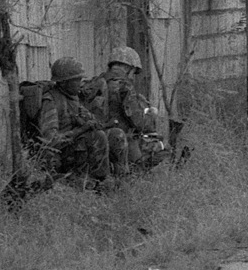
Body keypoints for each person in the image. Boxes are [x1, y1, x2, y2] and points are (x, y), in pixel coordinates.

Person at [37, 57, 116, 185]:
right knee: (97, 137)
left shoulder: (72, 98)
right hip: (62, 155)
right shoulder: (51, 102)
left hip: (76, 149)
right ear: (64, 82)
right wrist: (80, 130)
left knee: (114, 133)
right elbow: (50, 141)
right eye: (77, 80)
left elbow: (88, 118)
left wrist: (97, 123)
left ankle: (110, 176)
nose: (80, 83)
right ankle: (99, 181)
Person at [88, 46, 160, 175]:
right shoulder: (124, 86)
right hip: (119, 141)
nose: (133, 77)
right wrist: (151, 116)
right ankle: (134, 178)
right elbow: (139, 122)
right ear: (127, 68)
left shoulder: (96, 82)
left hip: (95, 140)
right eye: (133, 72)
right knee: (160, 148)